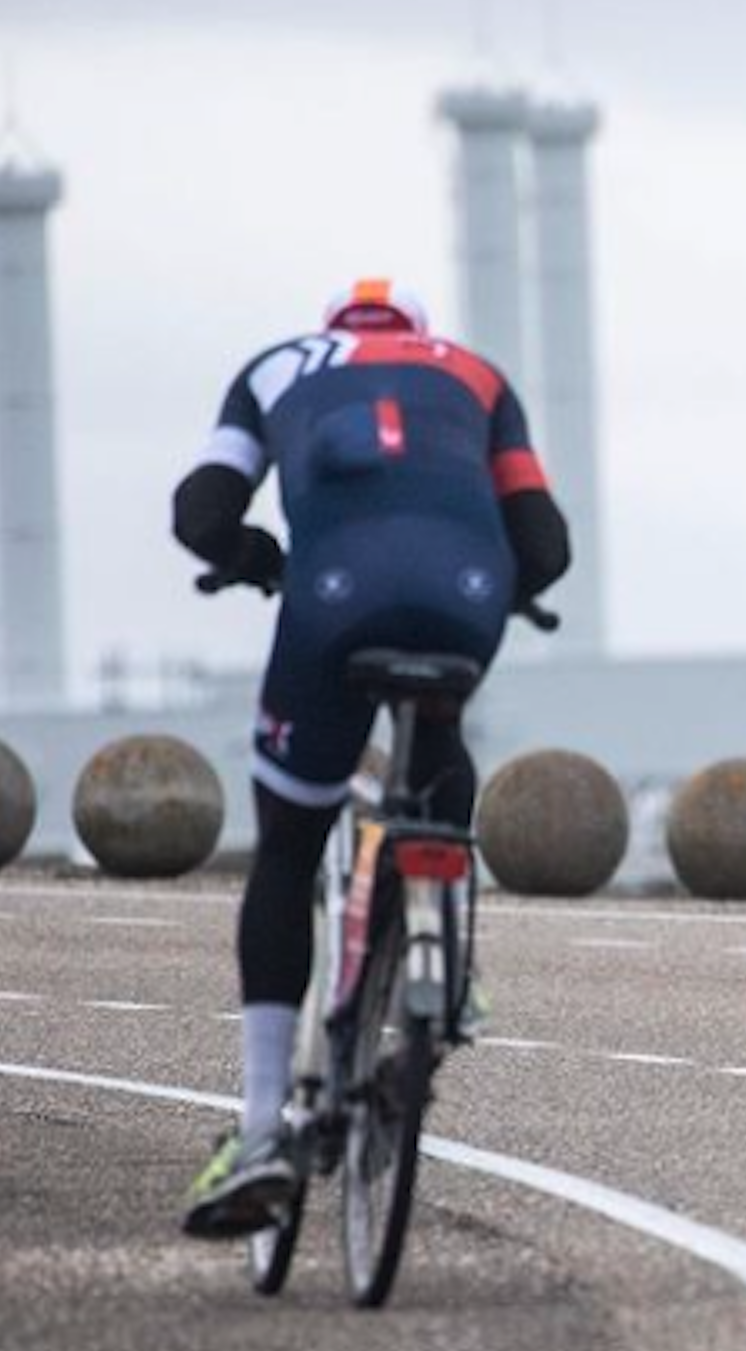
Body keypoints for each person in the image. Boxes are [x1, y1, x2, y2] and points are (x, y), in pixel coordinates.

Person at [175, 279, 570, 1238]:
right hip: (465, 593)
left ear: (334, 333)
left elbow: (200, 513)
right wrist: (497, 586)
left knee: (287, 845)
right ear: (419, 337)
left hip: (334, 592)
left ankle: (264, 1129)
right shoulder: (476, 375)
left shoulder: (276, 367)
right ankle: (443, 949)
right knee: (435, 740)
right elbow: (545, 545)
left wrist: (259, 557)